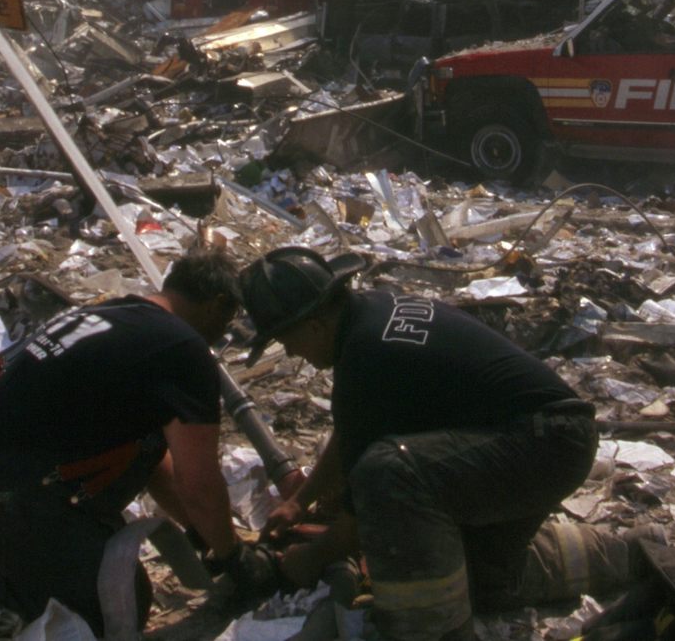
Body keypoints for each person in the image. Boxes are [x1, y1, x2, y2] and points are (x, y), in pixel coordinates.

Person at [244, 247, 636, 641]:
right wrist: (301, 499)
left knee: (387, 475)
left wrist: (310, 558)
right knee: (477, 579)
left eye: (286, 339)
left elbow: (362, 514)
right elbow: (354, 431)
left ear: (313, 325)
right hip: (549, 439)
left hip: (544, 443)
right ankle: (632, 555)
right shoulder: (370, 313)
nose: (291, 352)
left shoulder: (366, 353)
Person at [0, 249, 273, 633]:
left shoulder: (110, 315)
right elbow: (199, 483)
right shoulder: (183, 350)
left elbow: (152, 457)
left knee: (142, 443)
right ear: (217, 304)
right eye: (228, 317)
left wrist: (202, 531)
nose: (224, 330)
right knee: (115, 605)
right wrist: (234, 558)